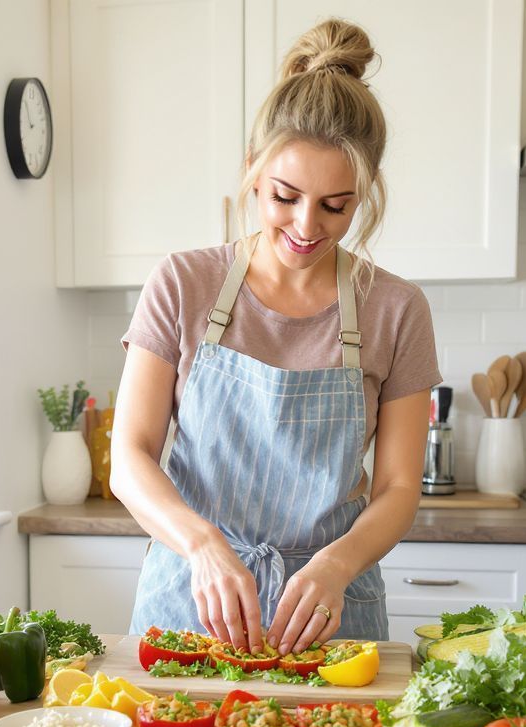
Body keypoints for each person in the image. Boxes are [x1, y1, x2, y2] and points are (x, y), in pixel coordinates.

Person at [110, 18, 442, 658]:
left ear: (363, 195)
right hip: (190, 602)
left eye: (336, 206)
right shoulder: (183, 282)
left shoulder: (396, 309)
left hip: (329, 615)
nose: (305, 226)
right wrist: (203, 545)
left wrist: (338, 565)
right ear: (252, 172)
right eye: (285, 196)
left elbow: (400, 488)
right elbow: (130, 455)